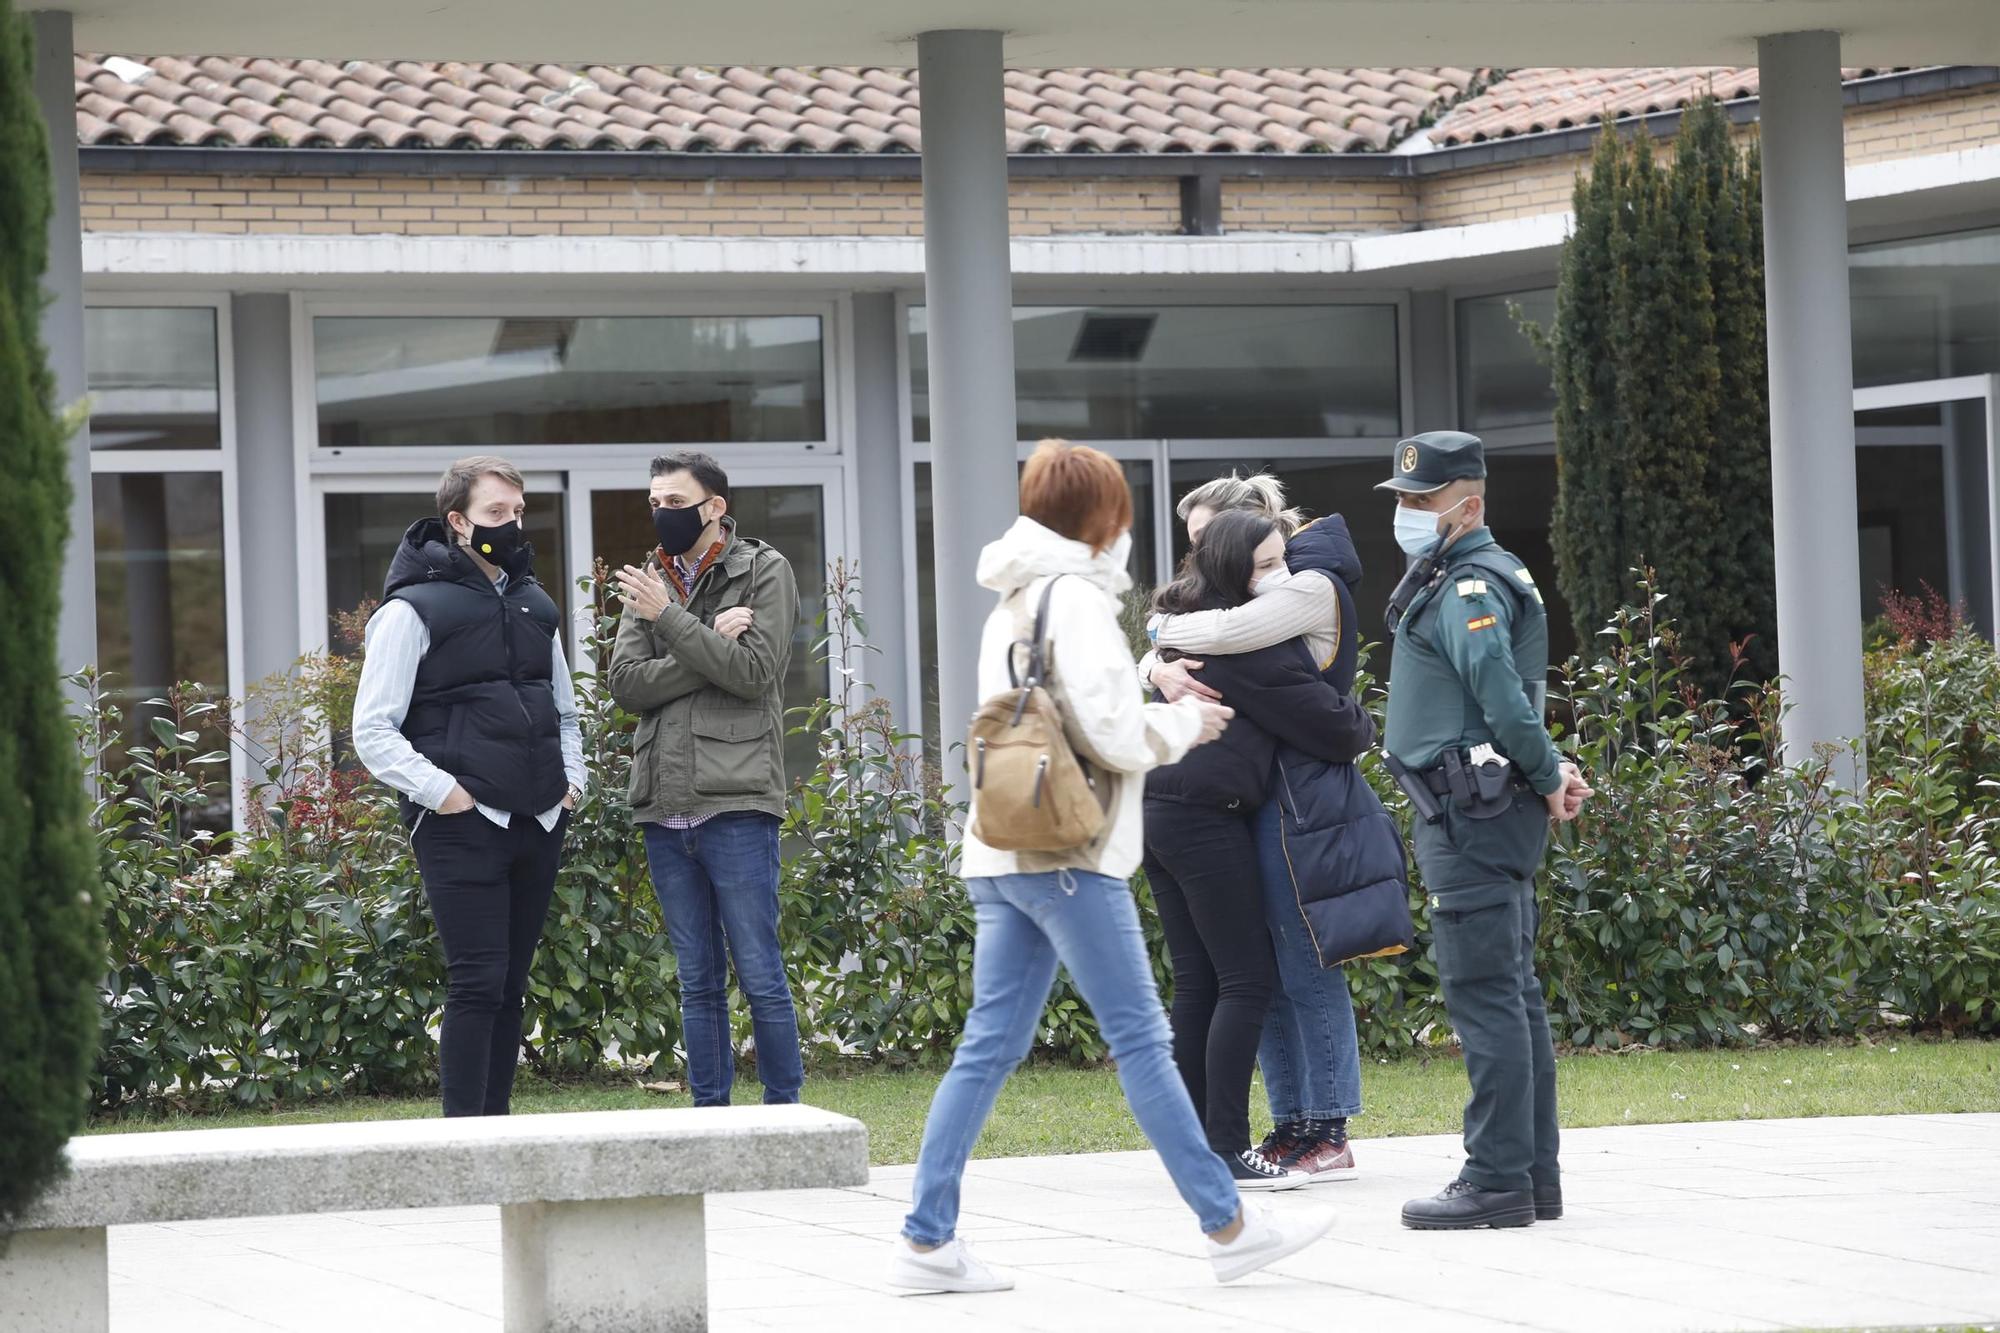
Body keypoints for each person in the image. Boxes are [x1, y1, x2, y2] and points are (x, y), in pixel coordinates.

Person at [889, 440, 1337, 1295]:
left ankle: (925, 1238)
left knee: (987, 1046)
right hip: (1071, 849)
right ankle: (1230, 1223)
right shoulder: (1081, 601)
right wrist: (1180, 726)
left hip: (1003, 844)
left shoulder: (1011, 598)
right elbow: (1108, 731)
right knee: (1140, 1040)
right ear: (1104, 518)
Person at [1374, 430, 1592, 1230]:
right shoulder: (1467, 574)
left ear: (1468, 504)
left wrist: (1545, 773)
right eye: (1400, 499)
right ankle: (1531, 1175)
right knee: (1514, 994)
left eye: (1421, 500)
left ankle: (1496, 1177)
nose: (1406, 512)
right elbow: (1514, 705)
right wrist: (1553, 767)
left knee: (1487, 994)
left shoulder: (1471, 585)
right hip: (1479, 805)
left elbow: (1501, 694)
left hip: (1468, 811)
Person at [1141, 474, 1373, 1182]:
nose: (1276, 575)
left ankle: (1274, 1131)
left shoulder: (1276, 598)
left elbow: (1205, 639)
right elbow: (1337, 724)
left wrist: (1157, 651)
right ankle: (1241, 1142)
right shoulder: (1242, 635)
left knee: (1220, 980)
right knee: (1249, 979)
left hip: (1180, 809)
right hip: (1216, 812)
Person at [352, 456, 584, 1118]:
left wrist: (573, 783)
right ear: (457, 521)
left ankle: (497, 1135)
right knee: (477, 981)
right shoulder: (410, 611)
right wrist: (444, 792)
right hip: (462, 822)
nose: (511, 525)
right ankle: (463, 1143)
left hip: (540, 818)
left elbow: (563, 707)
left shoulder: (536, 603)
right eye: (494, 515)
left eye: (518, 512)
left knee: (511, 985)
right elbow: (372, 727)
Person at [607, 450, 804, 1108]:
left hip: (738, 802)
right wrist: (706, 640)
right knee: (697, 978)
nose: (662, 513)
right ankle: (710, 1119)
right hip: (665, 803)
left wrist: (670, 623)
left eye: (674, 501)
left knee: (759, 969)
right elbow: (627, 686)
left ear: (714, 506)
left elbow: (755, 673)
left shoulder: (763, 569)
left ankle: (785, 1114)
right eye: (654, 502)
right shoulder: (650, 580)